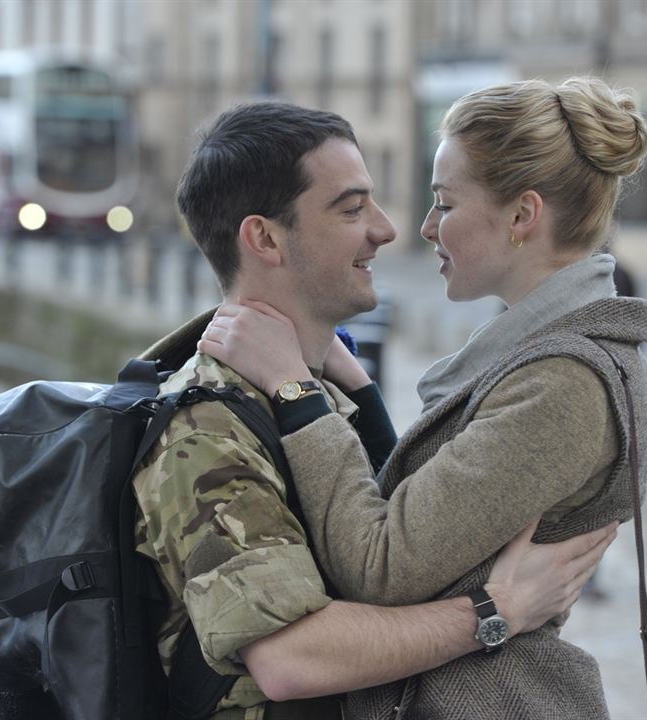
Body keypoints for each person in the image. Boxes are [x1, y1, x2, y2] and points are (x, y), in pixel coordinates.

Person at [132, 100, 619, 720]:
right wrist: (499, 610)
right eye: (351, 208)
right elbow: (291, 660)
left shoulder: (317, 393)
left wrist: (356, 396)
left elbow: (399, 529)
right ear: (264, 238)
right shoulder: (205, 427)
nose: (389, 229)